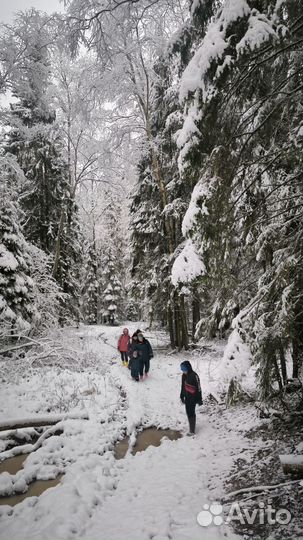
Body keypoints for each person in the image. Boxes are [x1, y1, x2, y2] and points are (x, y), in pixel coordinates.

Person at [180, 361, 203, 436]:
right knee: (188, 412)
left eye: (184, 368)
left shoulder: (194, 375)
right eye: (182, 369)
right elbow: (183, 386)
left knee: (191, 412)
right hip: (187, 397)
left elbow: (199, 388)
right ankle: (191, 427)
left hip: (193, 397)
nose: (183, 370)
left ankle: (192, 431)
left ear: (188, 368)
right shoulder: (183, 375)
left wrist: (199, 399)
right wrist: (181, 396)